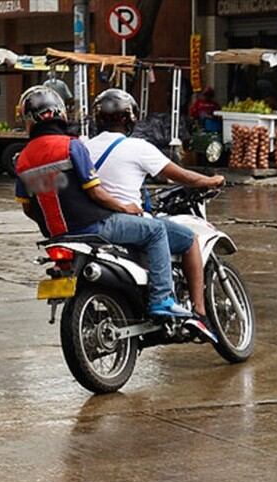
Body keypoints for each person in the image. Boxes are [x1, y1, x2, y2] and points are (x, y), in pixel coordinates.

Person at [13, 85, 192, 318]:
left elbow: (28, 207)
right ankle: (162, 299)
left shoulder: (23, 159)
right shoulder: (71, 146)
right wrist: (124, 207)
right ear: (59, 113)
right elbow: (95, 193)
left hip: (56, 236)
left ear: (29, 120)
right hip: (92, 227)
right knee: (156, 230)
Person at [85, 88, 225, 332]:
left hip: (93, 222)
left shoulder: (84, 147)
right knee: (187, 239)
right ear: (129, 118)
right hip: (120, 220)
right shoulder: (137, 147)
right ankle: (194, 310)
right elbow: (182, 176)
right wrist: (211, 180)